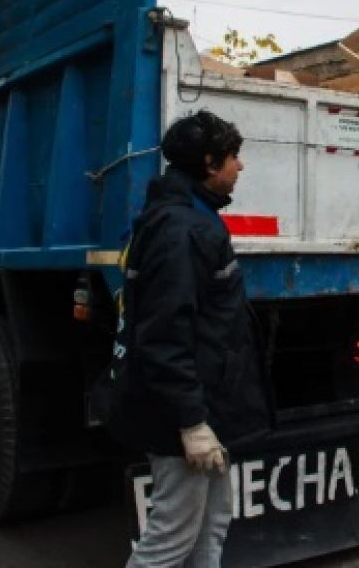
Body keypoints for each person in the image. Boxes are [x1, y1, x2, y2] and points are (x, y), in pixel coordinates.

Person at [111, 110, 272, 568]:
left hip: (204, 406)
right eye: (232, 157)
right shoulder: (180, 230)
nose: (239, 167)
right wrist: (191, 423)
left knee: (211, 526)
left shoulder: (188, 219)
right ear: (208, 162)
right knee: (170, 540)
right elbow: (164, 334)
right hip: (182, 413)